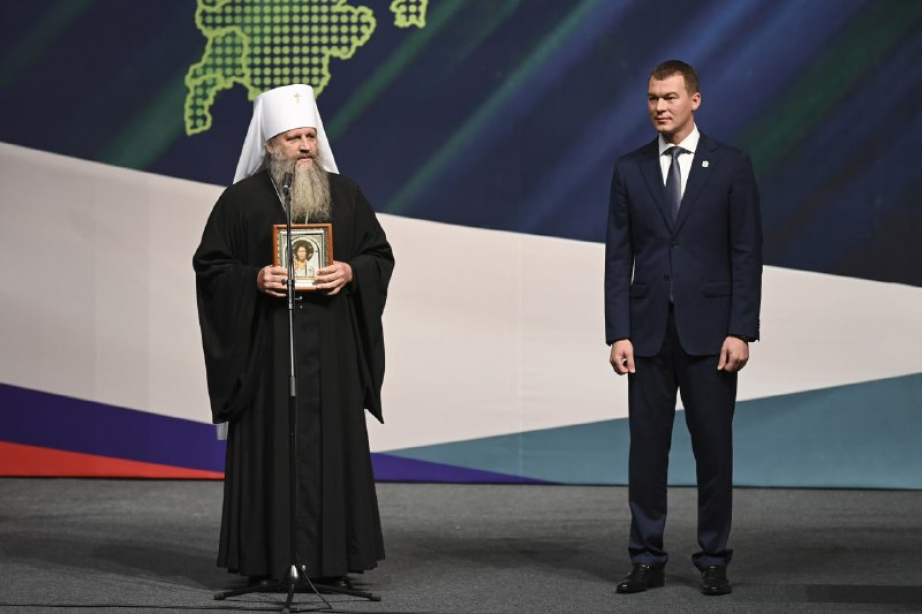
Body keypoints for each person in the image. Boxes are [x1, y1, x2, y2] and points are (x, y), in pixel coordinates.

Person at [193, 83, 394, 586]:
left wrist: (352, 271)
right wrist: (252, 278)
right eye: (293, 138)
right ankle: (265, 562)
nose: (305, 147)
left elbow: (379, 255)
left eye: (310, 136)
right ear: (269, 146)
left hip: (332, 353)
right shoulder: (239, 202)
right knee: (271, 451)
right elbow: (211, 268)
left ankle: (333, 564)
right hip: (267, 354)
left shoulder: (345, 195)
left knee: (333, 451)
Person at [604, 60, 762, 596]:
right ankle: (646, 558)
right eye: (652, 98)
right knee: (646, 453)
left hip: (711, 335)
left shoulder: (732, 165)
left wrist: (741, 329)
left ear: (695, 99)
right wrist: (618, 332)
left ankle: (714, 558)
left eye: (669, 97)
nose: (659, 107)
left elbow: (746, 253)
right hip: (647, 332)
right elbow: (618, 256)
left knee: (713, 452)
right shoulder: (629, 168)